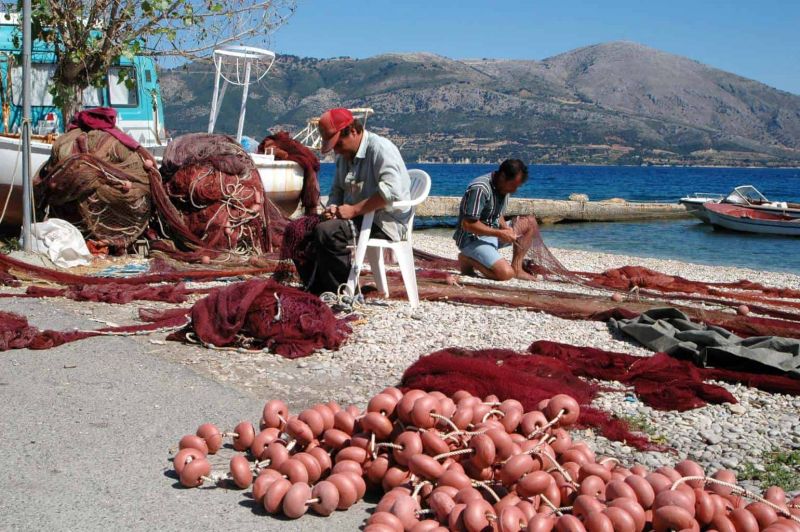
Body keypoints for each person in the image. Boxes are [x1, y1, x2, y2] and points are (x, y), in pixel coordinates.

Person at [306, 108, 411, 294]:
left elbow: (392, 191)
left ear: (353, 131)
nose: (336, 151)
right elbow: (337, 190)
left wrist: (354, 210)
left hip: (384, 221)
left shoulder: (380, 149)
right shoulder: (344, 155)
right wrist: (332, 208)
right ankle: (320, 286)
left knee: (328, 233)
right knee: (304, 229)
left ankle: (343, 291)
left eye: (338, 144)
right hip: (360, 216)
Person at [453, 159, 538, 281]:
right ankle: (466, 259)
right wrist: (499, 233)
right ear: (503, 176)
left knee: (530, 222)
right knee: (505, 274)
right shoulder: (480, 188)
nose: (514, 190)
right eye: (513, 185)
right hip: (471, 239)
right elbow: (467, 224)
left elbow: (497, 214)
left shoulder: (503, 187)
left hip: (493, 233)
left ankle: (517, 267)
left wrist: (505, 228)